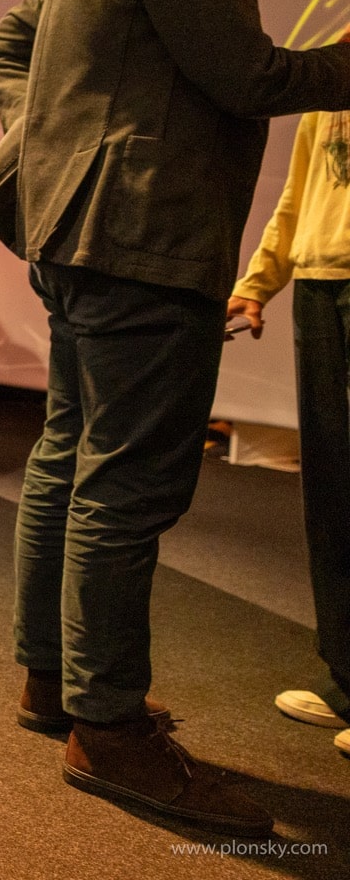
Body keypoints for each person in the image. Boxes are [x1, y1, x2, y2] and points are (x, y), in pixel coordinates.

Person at [0, 0, 350, 836]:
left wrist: (60, 144)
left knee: (70, 458)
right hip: (142, 244)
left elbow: (1, 44)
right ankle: (111, 730)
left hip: (86, 241)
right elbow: (250, 76)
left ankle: (55, 681)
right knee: (127, 484)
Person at [228, 111, 350, 758]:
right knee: (331, 487)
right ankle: (347, 677)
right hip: (322, 283)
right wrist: (258, 281)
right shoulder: (334, 75)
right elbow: (300, 189)